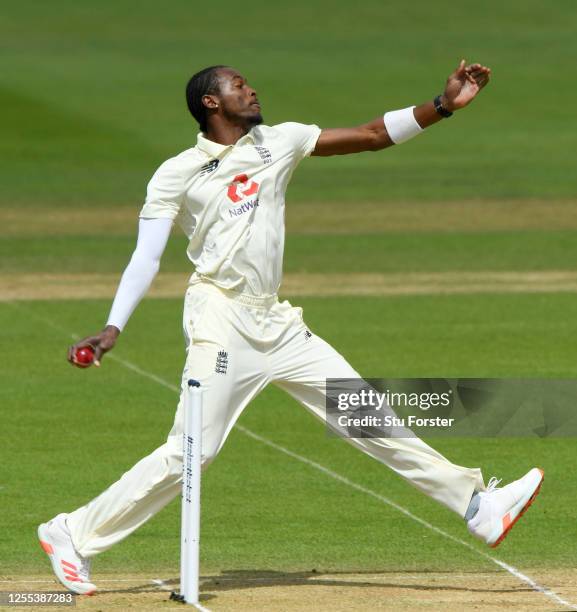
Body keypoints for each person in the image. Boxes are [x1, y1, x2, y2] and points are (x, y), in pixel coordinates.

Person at [38, 61, 544, 595]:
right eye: (237, 85)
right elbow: (146, 256)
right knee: (191, 452)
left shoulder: (279, 142)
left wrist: (441, 107)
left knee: (363, 412)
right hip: (221, 316)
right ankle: (71, 532)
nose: (251, 89)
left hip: (274, 319)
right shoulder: (177, 171)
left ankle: (475, 506)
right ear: (210, 103)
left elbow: (372, 135)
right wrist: (113, 326)